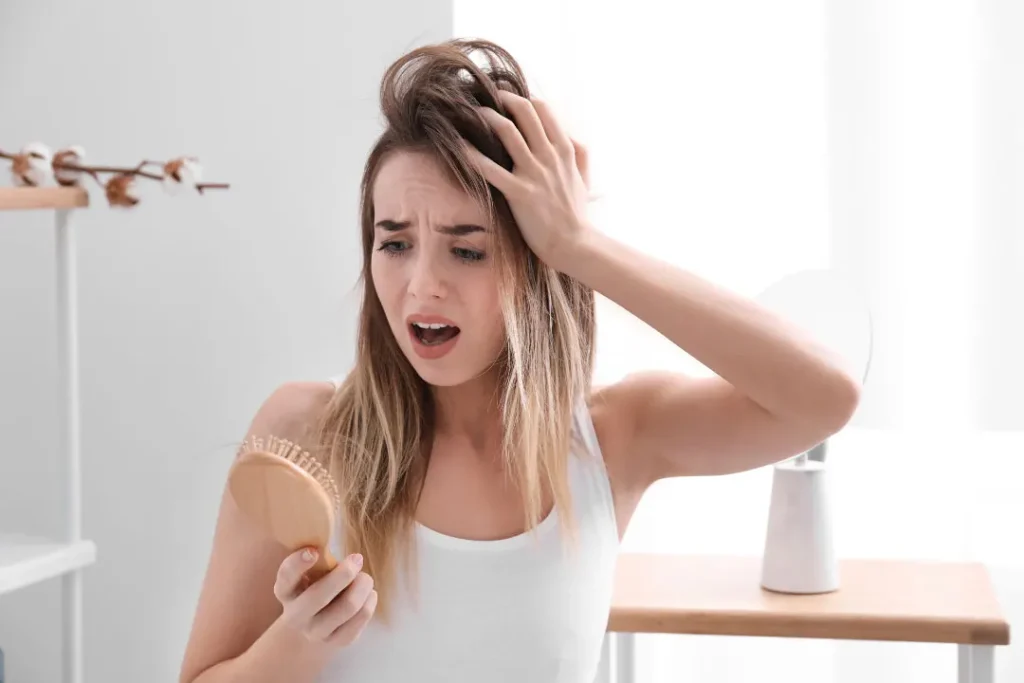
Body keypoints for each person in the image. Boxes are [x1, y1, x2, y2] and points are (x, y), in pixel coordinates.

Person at [178, 38, 860, 683]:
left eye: (466, 248)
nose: (421, 285)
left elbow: (826, 394)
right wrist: (297, 639)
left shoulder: (613, 439)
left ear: (536, 261)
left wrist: (582, 247)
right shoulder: (305, 432)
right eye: (394, 243)